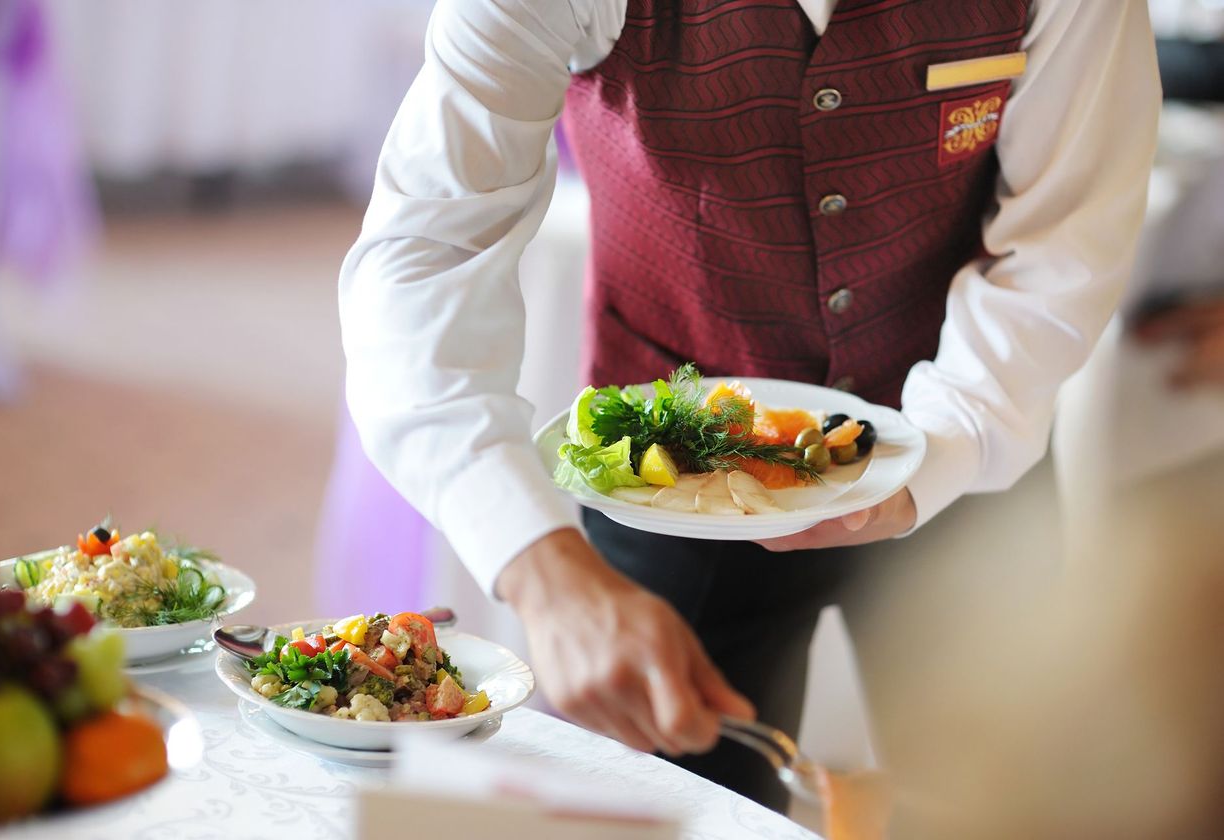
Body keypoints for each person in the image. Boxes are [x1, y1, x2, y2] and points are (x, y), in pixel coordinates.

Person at [340, 0, 1161, 812]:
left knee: (1015, 807)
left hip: (978, 445)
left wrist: (950, 441)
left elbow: (1065, 238)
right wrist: (544, 570)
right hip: (667, 488)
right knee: (688, 815)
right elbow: (426, 255)